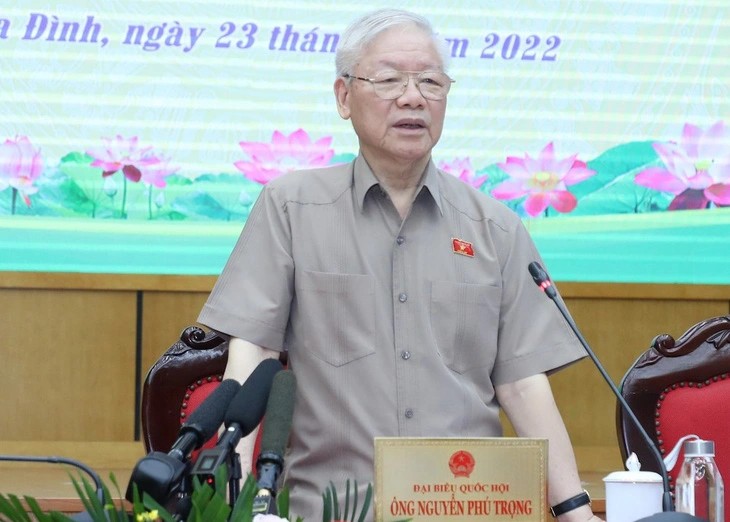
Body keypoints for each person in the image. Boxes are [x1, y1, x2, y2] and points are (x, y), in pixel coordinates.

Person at [198, 8, 602, 522]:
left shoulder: (497, 228)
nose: (413, 97)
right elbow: (253, 351)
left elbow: (522, 384)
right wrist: (233, 497)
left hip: (469, 508)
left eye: (430, 82)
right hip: (334, 510)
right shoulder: (292, 208)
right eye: (389, 80)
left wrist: (574, 511)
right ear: (344, 97)